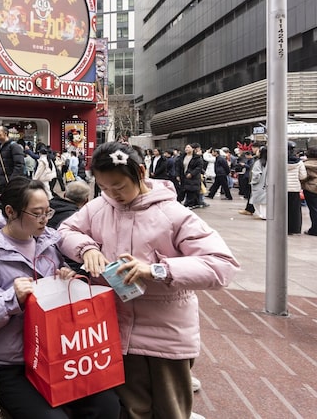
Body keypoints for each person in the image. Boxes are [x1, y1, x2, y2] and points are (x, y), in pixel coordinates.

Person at [57, 142, 240, 419]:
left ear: (140, 172)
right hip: (115, 333)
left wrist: (157, 270)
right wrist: (87, 248)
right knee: (131, 411)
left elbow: (221, 266)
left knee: (170, 411)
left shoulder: (174, 215)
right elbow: (66, 230)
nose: (112, 195)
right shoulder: (98, 208)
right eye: (104, 188)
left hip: (165, 336)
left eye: (118, 187)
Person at [0, 177, 121, 418]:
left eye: (47, 211)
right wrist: (12, 299)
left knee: (106, 405)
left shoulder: (48, 242)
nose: (45, 219)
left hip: (55, 356)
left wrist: (66, 279)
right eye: (37, 213)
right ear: (10, 212)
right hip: (7, 365)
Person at [0, 125, 24, 193]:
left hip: (9, 184)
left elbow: (19, 165)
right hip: (0, 184)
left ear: (5, 133)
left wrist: (11, 182)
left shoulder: (14, 146)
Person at [176, 143, 204, 208]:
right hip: (183, 176)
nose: (186, 149)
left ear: (193, 149)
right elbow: (178, 167)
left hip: (193, 177)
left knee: (191, 190)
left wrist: (192, 173)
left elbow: (199, 167)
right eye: (186, 147)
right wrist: (177, 175)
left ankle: (190, 204)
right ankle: (184, 202)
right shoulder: (182, 157)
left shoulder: (197, 158)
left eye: (188, 147)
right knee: (183, 190)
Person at [301, 147, 317, 235]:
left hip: (311, 189)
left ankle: (315, 229)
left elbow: (303, 177)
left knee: (313, 210)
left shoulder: (306, 165)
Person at [250, 146, 268, 220]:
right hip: (267, 184)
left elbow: (256, 175)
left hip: (259, 184)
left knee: (257, 200)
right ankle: (264, 214)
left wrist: (253, 181)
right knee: (265, 201)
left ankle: (262, 214)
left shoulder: (258, 162)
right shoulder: (272, 162)